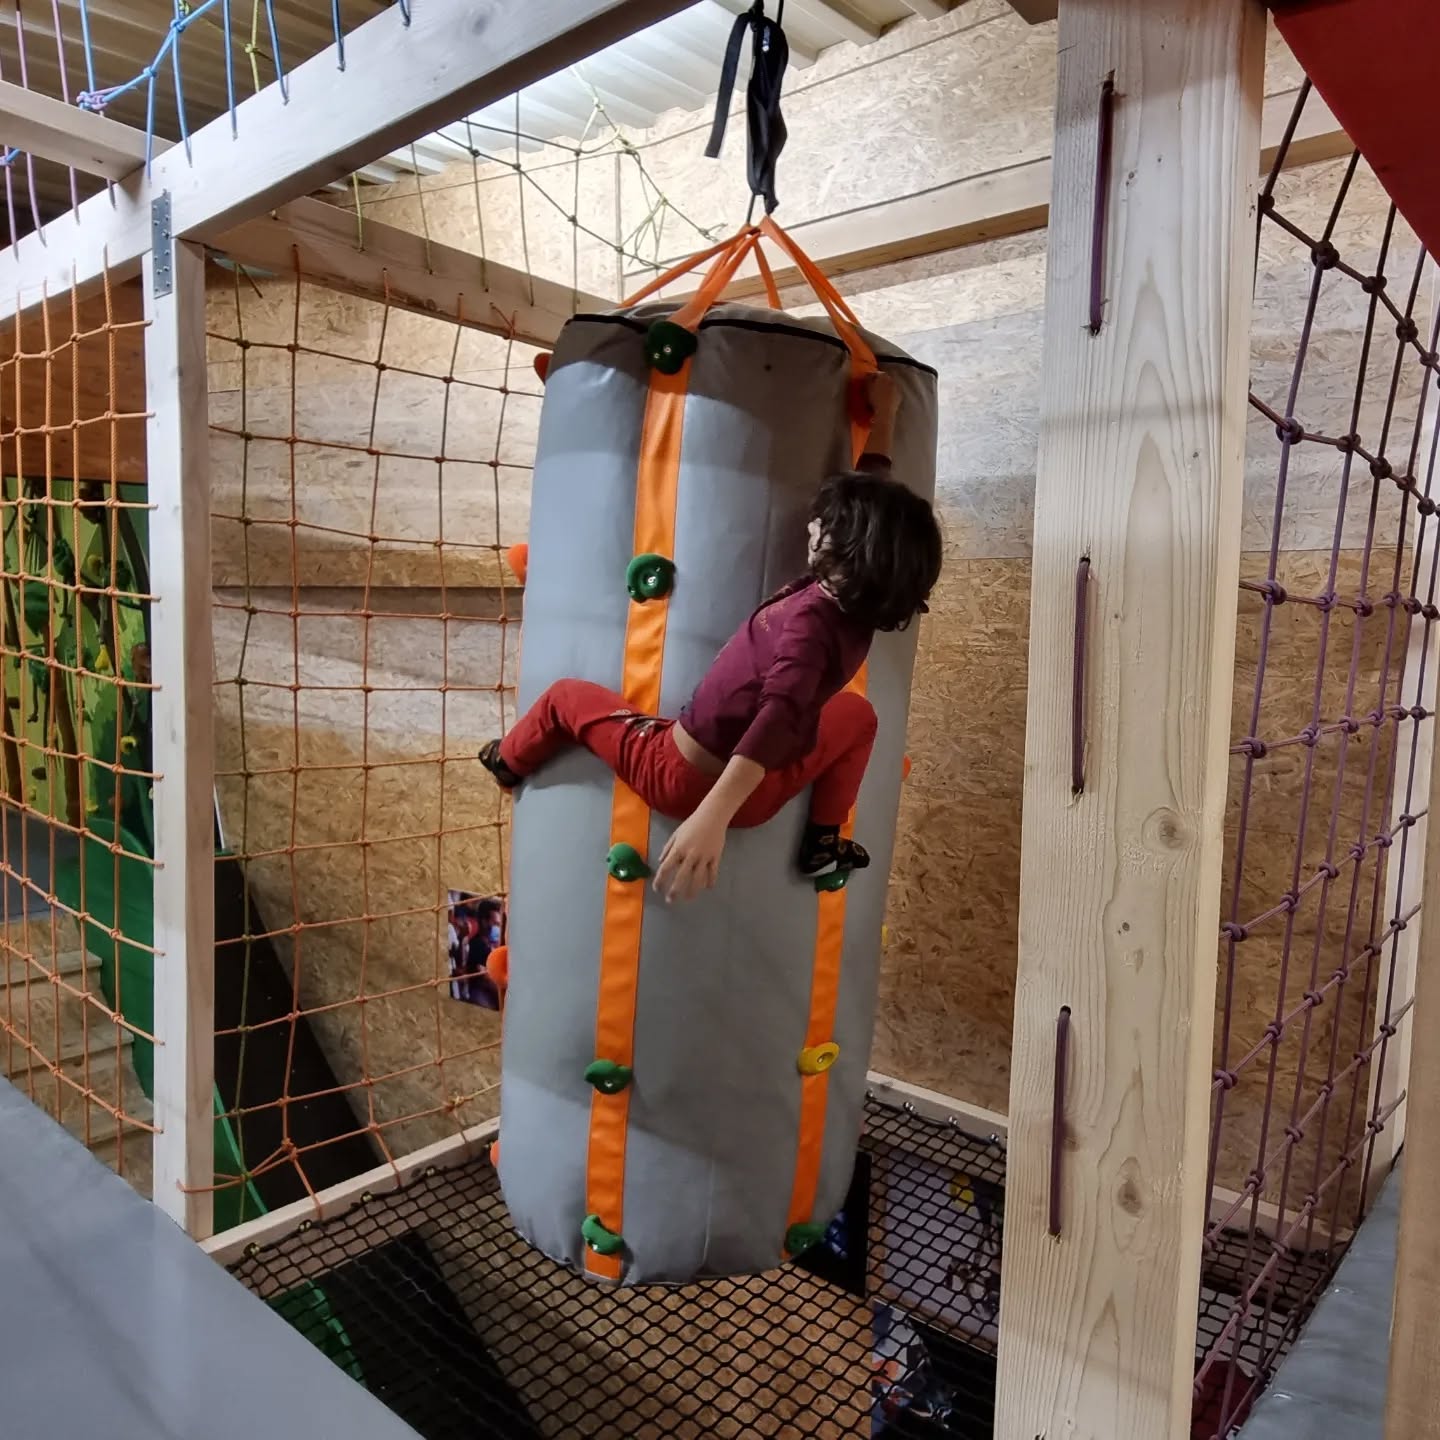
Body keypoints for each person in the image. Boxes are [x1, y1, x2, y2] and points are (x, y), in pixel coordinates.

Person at [478, 372, 941, 903]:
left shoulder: (809, 625)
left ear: (849, 549)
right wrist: (885, 418)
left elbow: (778, 720)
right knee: (858, 717)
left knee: (566, 699)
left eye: (826, 524)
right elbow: (876, 509)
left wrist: (710, 817)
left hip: (682, 778)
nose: (814, 523)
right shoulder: (862, 600)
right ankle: (822, 840)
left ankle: (507, 761)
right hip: (763, 793)